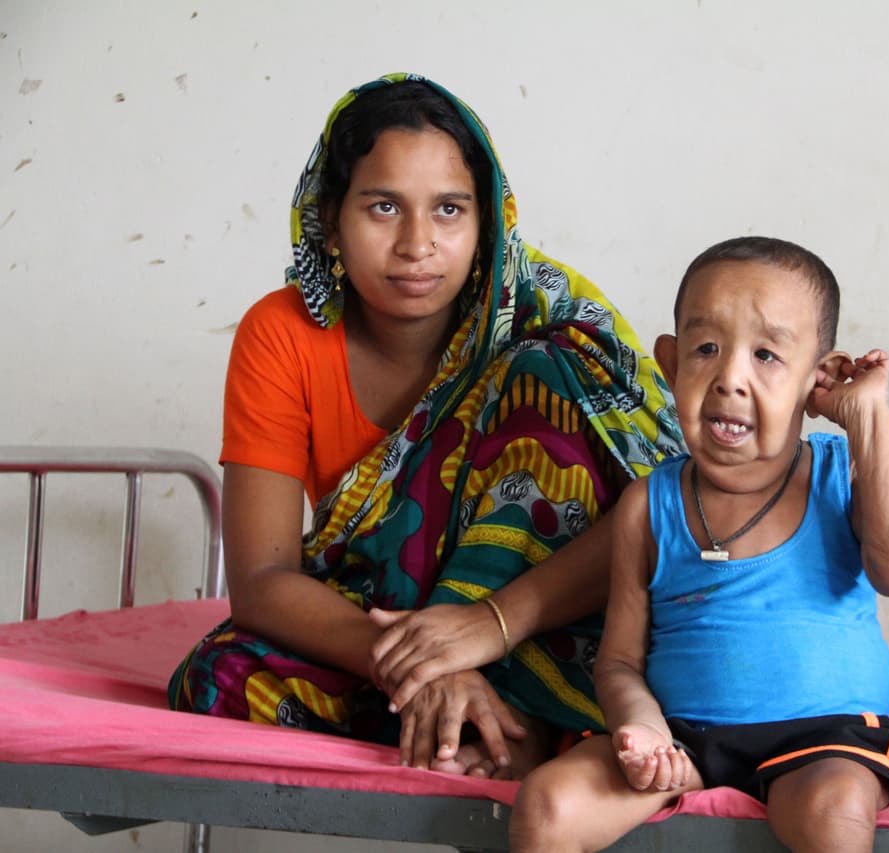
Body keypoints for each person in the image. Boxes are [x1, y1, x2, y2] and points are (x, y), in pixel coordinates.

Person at [168, 74, 683, 778]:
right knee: (216, 677)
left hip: (543, 622)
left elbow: (655, 516)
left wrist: (485, 626)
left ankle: (511, 714)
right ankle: (475, 717)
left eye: (448, 209)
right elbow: (261, 580)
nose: (418, 243)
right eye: (383, 207)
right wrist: (427, 659)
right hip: (380, 627)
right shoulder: (283, 332)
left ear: (487, 221)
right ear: (330, 217)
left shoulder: (550, 320)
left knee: (542, 369)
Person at [509, 236, 889, 852]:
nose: (730, 379)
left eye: (768, 355)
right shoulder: (650, 505)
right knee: (545, 806)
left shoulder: (839, 475)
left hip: (824, 742)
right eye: (707, 349)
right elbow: (618, 661)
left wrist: (869, 417)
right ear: (669, 363)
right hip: (688, 739)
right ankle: (679, 768)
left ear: (818, 378)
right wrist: (642, 727)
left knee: (833, 810)